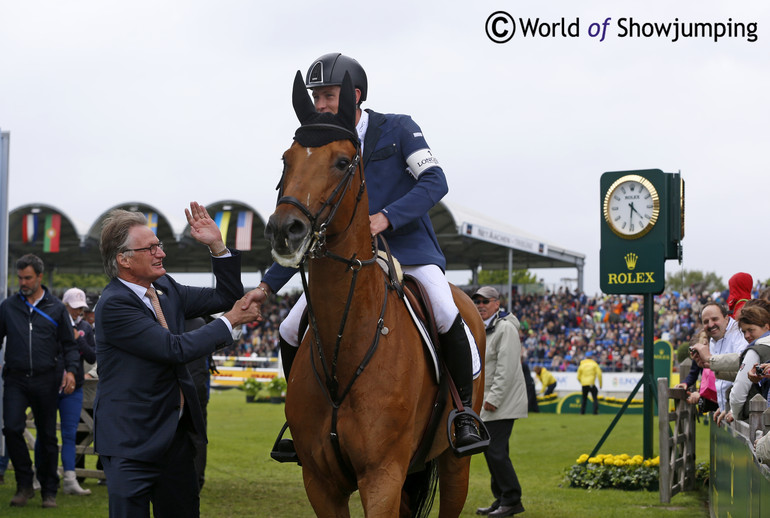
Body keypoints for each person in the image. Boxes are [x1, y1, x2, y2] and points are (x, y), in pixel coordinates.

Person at [249, 53, 483, 451]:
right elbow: (302, 220)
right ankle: (301, 419)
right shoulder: (317, 145)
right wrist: (267, 285)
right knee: (290, 328)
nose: (320, 104)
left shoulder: (399, 128)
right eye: (316, 96)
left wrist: (386, 218)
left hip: (409, 251)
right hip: (346, 262)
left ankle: (463, 415)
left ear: (354, 96)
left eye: (328, 95)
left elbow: (435, 181)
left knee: (446, 313)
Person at [93, 203, 261, 518]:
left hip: (174, 438)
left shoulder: (166, 288)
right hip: (131, 444)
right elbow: (175, 349)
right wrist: (230, 321)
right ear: (124, 260)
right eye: (151, 247)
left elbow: (225, 296)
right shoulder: (114, 305)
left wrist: (217, 245)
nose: (161, 253)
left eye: (160, 245)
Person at [0, 253, 80, 508]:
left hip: (47, 379)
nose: (22, 282)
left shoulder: (56, 308)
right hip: (15, 378)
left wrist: (71, 371)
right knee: (11, 428)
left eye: (28, 278)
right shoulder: (8, 306)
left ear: (39, 277)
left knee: (47, 437)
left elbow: (69, 345)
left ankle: (49, 490)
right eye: (20, 277)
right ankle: (25, 483)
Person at [473, 287, 526, 517]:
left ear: (497, 304)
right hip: (490, 402)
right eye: (477, 301)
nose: (480, 305)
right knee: (492, 451)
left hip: (500, 402)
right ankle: (502, 499)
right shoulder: (486, 328)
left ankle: (512, 499)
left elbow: (507, 368)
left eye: (485, 301)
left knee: (495, 452)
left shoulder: (505, 328)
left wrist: (493, 399)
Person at [37, 287, 96, 496]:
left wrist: (78, 337)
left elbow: (91, 356)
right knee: (46, 432)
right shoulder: (51, 323)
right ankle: (40, 476)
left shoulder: (86, 328)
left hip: (75, 387)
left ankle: (70, 479)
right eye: (74, 308)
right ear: (65, 305)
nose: (77, 312)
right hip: (51, 385)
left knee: (70, 435)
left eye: (81, 308)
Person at [699, 302, 748, 415]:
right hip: (727, 412)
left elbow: (743, 363)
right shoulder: (713, 338)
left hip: (741, 413)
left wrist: (732, 410)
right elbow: (722, 381)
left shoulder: (739, 332)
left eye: (714, 319)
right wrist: (722, 407)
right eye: (706, 322)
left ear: (726, 318)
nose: (710, 324)